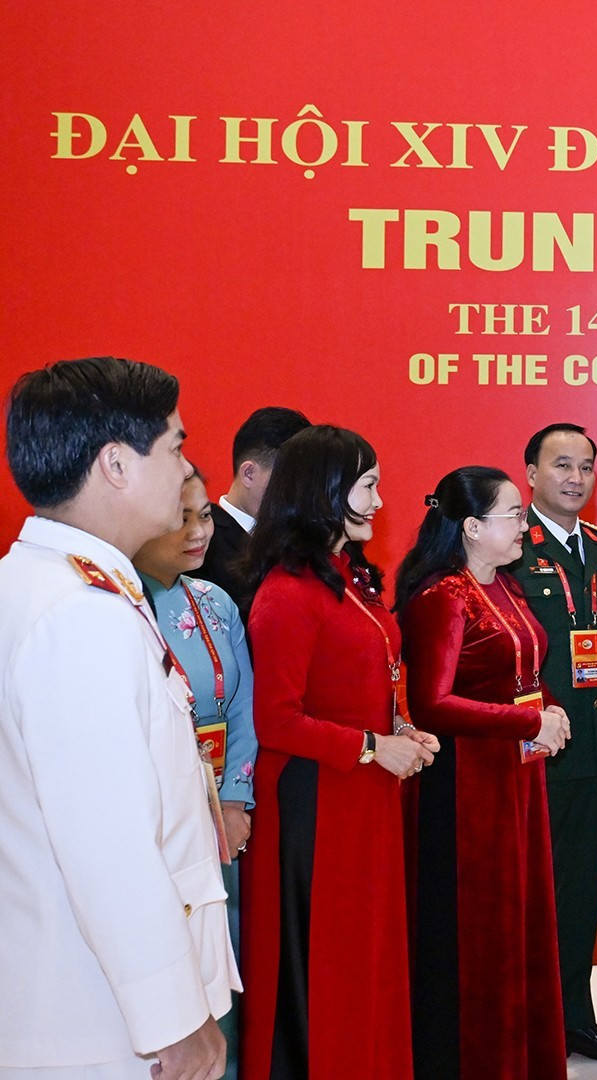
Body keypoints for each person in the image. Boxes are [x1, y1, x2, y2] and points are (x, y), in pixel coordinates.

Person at [0, 356, 239, 1080]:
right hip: (99, 1023)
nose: (185, 469)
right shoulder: (80, 615)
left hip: (73, 998)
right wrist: (176, 1020)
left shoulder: (42, 586)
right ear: (115, 465)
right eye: (174, 446)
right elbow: (109, 844)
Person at [239, 425, 439, 1080]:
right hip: (315, 804)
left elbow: (368, 681)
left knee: (366, 956)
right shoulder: (287, 593)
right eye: (368, 485)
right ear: (325, 490)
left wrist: (401, 729)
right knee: (323, 965)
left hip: (363, 793)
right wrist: (373, 746)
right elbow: (276, 721)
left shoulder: (349, 581)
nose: (379, 501)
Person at [395, 466, 572, 1079]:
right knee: (476, 932)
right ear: (471, 527)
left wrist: (548, 708)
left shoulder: (507, 586)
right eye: (513, 515)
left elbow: (518, 675)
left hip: (515, 780)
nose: (524, 525)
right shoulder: (444, 596)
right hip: (465, 788)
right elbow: (432, 705)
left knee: (517, 923)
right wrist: (528, 722)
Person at [506, 422, 597, 1060]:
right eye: (562, 465)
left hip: (590, 747)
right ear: (532, 472)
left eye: (586, 466)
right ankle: (527, 1025)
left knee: (582, 890)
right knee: (531, 890)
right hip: (533, 747)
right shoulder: (512, 545)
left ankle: (575, 1020)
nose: (575, 478)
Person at [134, 466, 262, 1080]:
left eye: (205, 515)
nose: (198, 532)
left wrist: (235, 801)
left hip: (219, 816)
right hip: (156, 814)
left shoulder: (215, 600)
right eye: (181, 518)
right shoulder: (117, 606)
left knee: (221, 951)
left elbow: (245, 707)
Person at [202, 407, 310, 616]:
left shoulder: (297, 542)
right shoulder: (203, 540)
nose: (300, 493)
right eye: (290, 481)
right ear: (249, 473)